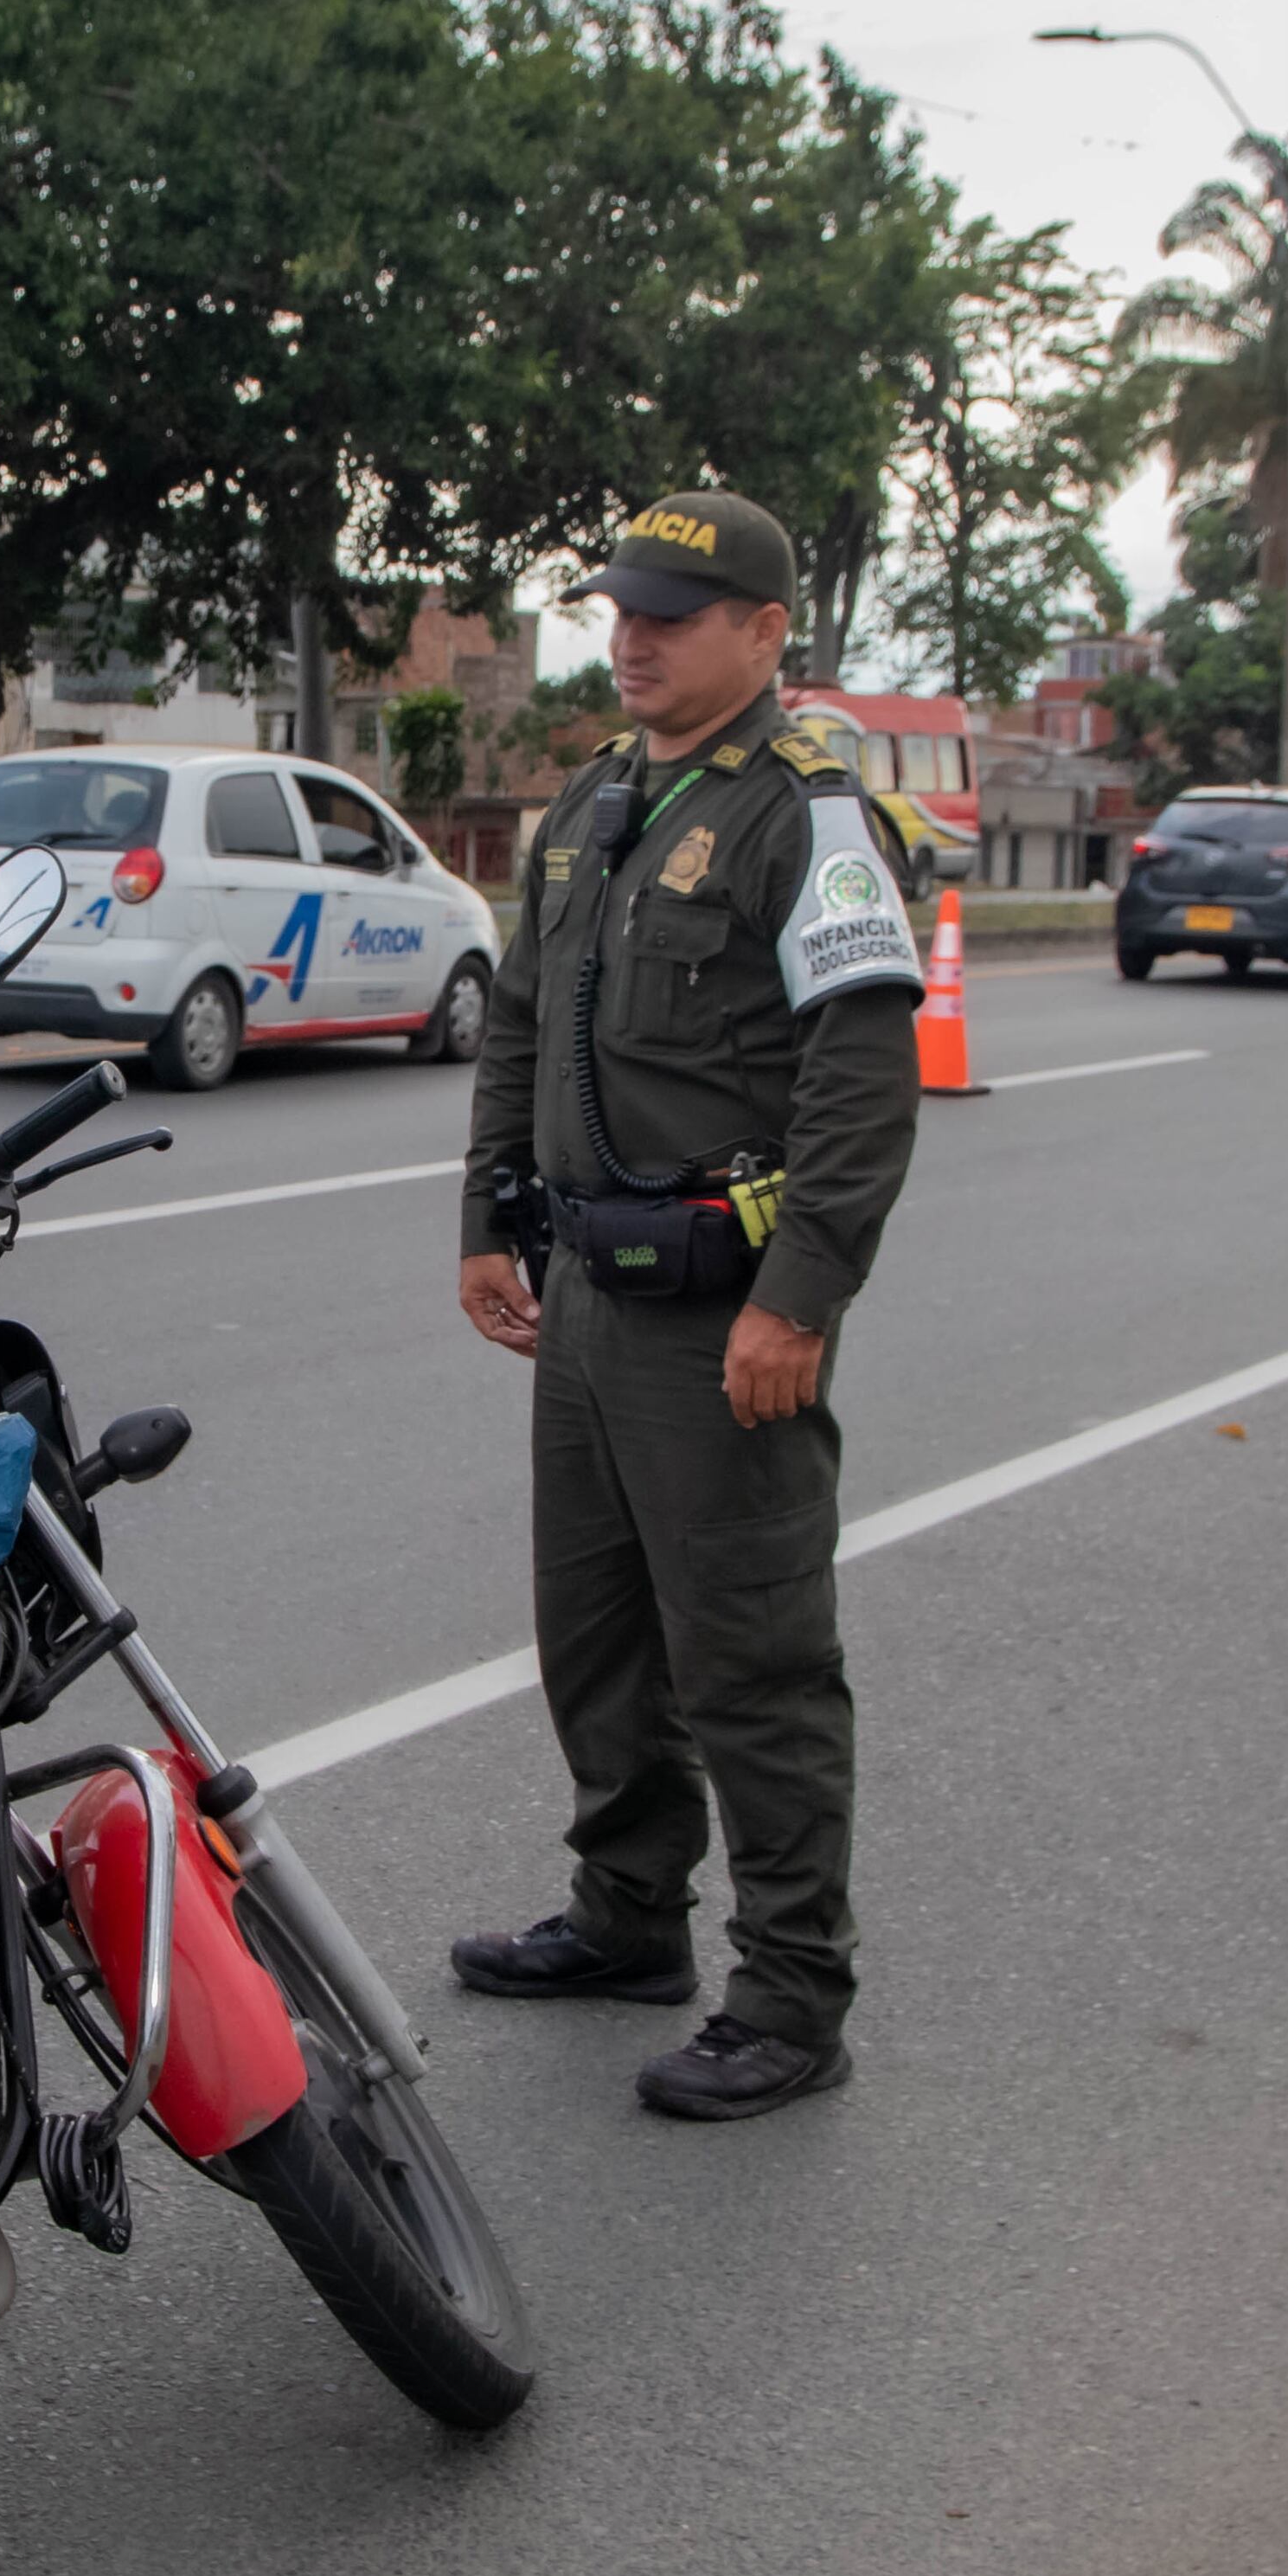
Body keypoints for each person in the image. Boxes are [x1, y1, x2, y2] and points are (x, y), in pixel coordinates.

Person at [449, 489, 926, 2122]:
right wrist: (484, 1219)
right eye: (620, 610)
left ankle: (793, 1995)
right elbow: (521, 1029)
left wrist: (801, 1299)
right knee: (596, 1644)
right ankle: (626, 1916)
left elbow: (864, 1085)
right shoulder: (589, 805)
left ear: (768, 633)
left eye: (671, 612)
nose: (633, 638)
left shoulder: (811, 820)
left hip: (724, 1320)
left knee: (754, 1664)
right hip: (586, 1298)